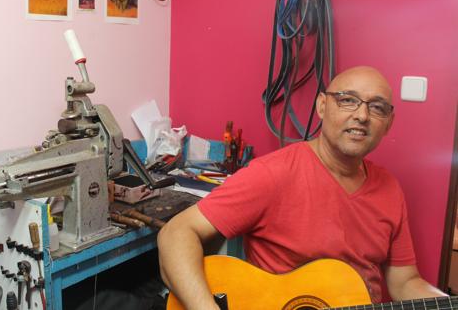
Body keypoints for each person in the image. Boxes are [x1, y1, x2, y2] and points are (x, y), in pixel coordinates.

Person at [157, 66, 446, 310]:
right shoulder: (274, 174)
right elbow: (176, 233)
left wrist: (443, 302)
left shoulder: (390, 189)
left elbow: (404, 282)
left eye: (377, 107)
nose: (362, 115)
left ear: (389, 123)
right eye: (348, 100)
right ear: (322, 106)